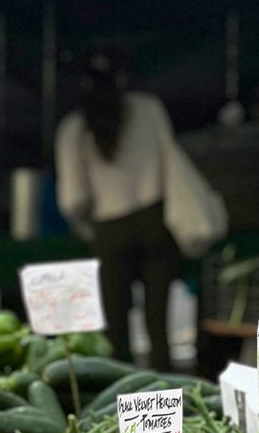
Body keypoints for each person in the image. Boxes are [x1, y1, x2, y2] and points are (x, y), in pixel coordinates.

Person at [55, 50, 180, 369]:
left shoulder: (73, 128)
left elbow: (72, 198)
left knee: (114, 330)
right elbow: (173, 164)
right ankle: (169, 398)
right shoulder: (150, 109)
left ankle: (120, 398)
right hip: (155, 222)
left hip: (109, 230)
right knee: (159, 326)